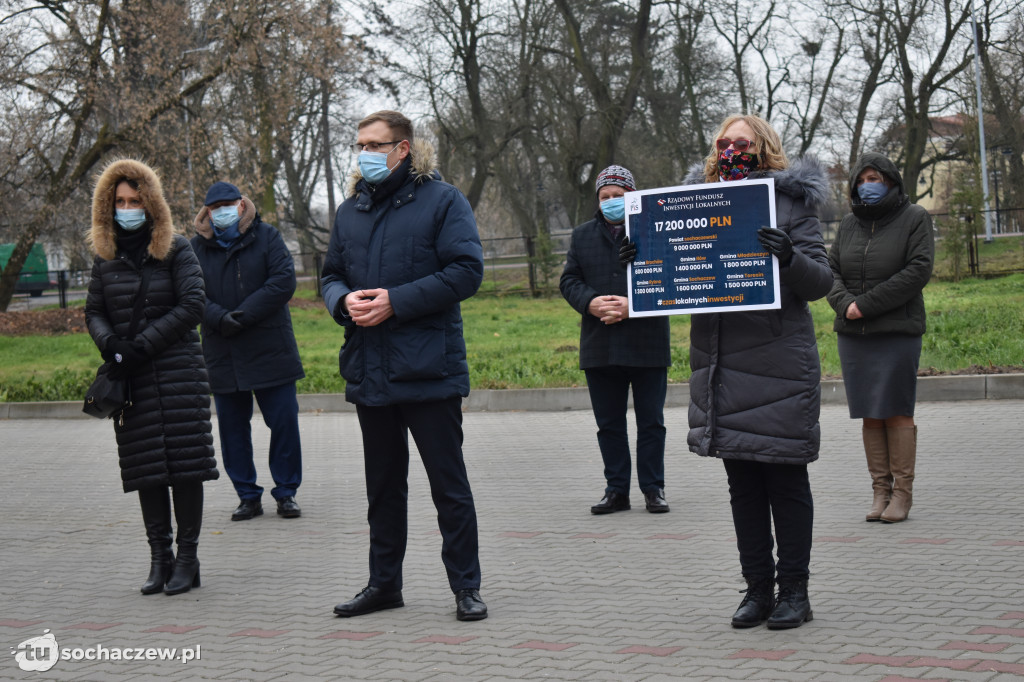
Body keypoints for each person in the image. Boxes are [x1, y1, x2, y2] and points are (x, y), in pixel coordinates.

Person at [321, 110, 488, 622]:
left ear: (403, 150)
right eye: (359, 145)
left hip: (429, 370)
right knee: (383, 489)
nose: (364, 154)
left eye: (375, 145)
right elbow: (329, 275)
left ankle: (466, 587)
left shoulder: (443, 201)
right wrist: (341, 301)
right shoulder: (350, 210)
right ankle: (383, 585)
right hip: (371, 369)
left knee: (448, 486)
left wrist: (397, 301)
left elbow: (466, 271)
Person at [668, 114, 833, 629]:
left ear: (763, 147)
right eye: (724, 141)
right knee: (743, 487)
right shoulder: (693, 204)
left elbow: (820, 281)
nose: (731, 148)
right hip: (720, 365)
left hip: (778, 362)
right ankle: (757, 589)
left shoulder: (790, 204)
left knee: (785, 482)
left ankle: (795, 593)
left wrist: (787, 257)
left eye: (742, 141)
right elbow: (672, 281)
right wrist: (640, 259)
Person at [85, 158, 219, 596]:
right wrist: (111, 345)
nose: (127, 208)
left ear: (151, 204)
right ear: (108, 206)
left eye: (135, 201)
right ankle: (158, 558)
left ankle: (187, 558)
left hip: (179, 372)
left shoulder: (177, 249)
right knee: (147, 469)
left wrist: (141, 345)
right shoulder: (104, 259)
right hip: (133, 380)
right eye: (120, 201)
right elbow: (94, 311)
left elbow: (193, 305)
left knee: (185, 467)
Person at [827, 153, 934, 524]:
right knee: (869, 412)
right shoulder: (849, 224)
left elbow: (918, 270)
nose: (867, 184)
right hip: (854, 334)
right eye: (862, 179)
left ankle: (902, 495)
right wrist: (846, 306)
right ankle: (880, 491)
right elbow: (832, 271)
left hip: (896, 331)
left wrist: (865, 306)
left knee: (897, 410)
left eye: (875, 177)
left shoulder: (914, 217)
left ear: (890, 180)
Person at [560, 165, 672, 515]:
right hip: (600, 344)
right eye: (605, 197)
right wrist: (590, 302)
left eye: (618, 196)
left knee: (651, 422)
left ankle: (653, 488)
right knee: (609, 424)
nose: (611, 202)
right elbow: (569, 280)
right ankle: (616, 490)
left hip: (647, 342)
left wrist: (633, 305)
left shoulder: (655, 232)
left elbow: (670, 280)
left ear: (631, 196)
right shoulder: (581, 236)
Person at [191, 181, 305, 522]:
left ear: (241, 205)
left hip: (271, 347)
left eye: (228, 204)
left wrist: (243, 315)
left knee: (283, 423)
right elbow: (190, 294)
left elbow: (283, 281)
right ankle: (247, 495)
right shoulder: (195, 249)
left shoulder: (267, 236)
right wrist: (219, 318)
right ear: (207, 212)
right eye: (215, 207)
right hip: (223, 352)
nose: (222, 212)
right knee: (232, 429)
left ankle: (286, 493)